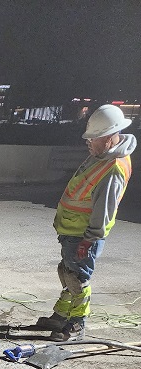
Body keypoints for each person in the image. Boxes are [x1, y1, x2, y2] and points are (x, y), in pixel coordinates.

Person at [36, 104, 136, 342]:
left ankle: (77, 324)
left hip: (83, 234)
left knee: (78, 278)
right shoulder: (101, 157)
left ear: (111, 137)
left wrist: (89, 238)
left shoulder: (112, 168)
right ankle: (61, 315)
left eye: (94, 138)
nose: (88, 142)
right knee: (67, 272)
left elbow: (105, 209)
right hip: (73, 230)